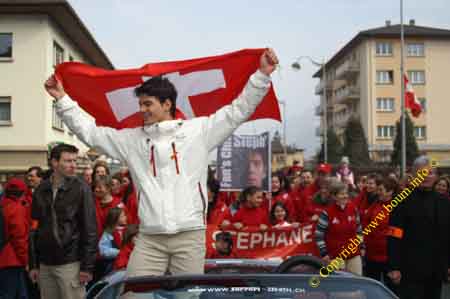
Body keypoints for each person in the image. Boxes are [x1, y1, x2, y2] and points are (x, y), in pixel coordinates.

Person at [45, 49, 278, 277]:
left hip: (190, 236)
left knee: (186, 298)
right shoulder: (132, 140)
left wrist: (261, 76)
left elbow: (237, 111)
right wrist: (62, 100)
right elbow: (92, 133)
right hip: (149, 239)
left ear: (167, 104)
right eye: (141, 104)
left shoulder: (199, 131)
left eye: (148, 104)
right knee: (133, 296)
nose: (142, 110)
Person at [29, 143, 97, 299]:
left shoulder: (81, 188)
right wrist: (33, 264)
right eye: (68, 161)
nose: (73, 165)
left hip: (71, 263)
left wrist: (87, 267)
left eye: (74, 161)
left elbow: (90, 229)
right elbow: (34, 229)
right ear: (54, 162)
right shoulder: (41, 189)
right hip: (45, 264)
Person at [387, 156, 450, 299]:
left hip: (436, 270)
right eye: (422, 173)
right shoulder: (401, 200)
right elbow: (394, 235)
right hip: (409, 270)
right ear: (414, 174)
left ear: (436, 176)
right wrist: (394, 267)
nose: (427, 176)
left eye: (430, 173)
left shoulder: (444, 202)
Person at [315, 180, 364, 275]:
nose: (345, 196)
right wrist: (324, 253)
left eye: (346, 193)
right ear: (334, 196)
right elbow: (319, 235)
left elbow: (359, 230)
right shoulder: (327, 213)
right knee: (340, 286)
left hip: (354, 254)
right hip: (335, 256)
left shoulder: (353, 209)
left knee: (357, 283)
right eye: (341, 194)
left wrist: (362, 246)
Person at [0, 178, 30, 299]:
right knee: (11, 294)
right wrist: (26, 260)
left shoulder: (4, 205)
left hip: (5, 257)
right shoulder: (16, 209)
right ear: (22, 192)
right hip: (13, 259)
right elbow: (19, 238)